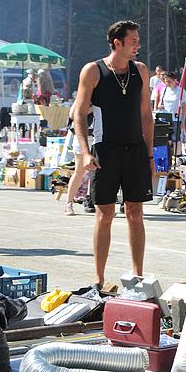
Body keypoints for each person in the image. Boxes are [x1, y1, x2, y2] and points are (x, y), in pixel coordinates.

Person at [73, 20, 154, 288]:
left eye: (138, 40)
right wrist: (85, 152)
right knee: (104, 213)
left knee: (135, 212)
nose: (138, 45)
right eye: (133, 41)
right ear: (117, 43)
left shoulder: (141, 71)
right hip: (105, 149)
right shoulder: (93, 71)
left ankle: (138, 274)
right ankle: (98, 278)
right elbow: (79, 114)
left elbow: (146, 115)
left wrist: (150, 156)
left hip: (135, 150)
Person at [63, 105, 102, 216]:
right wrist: (91, 108)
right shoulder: (85, 95)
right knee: (79, 171)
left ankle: (97, 203)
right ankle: (68, 203)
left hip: (99, 136)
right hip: (83, 136)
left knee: (98, 172)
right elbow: (72, 114)